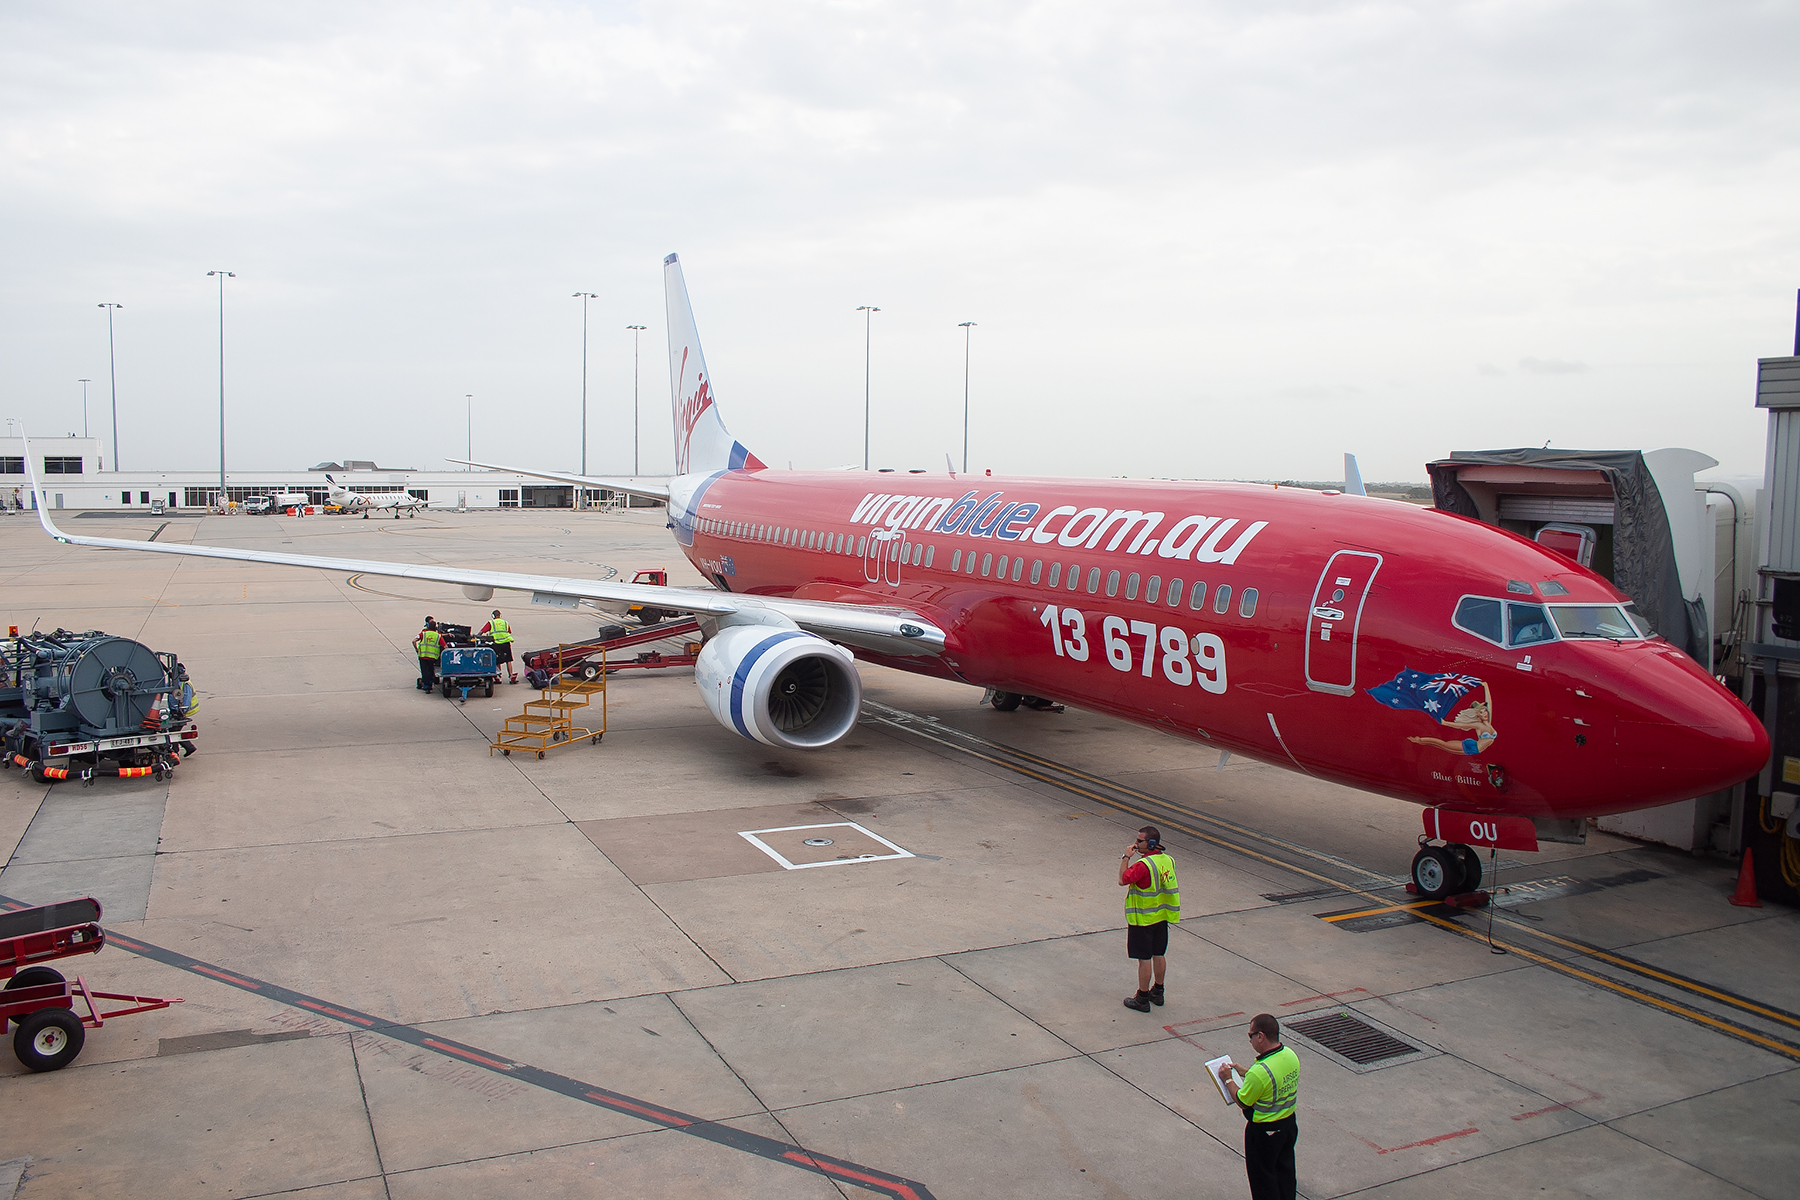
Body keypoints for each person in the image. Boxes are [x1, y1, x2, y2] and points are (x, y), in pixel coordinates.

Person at [1217, 1013, 1300, 1200]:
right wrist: (1245, 1071)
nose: (1250, 1040)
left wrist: (1228, 1079)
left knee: (1263, 1182)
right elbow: (1272, 1081)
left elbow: (1242, 1100)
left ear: (1261, 1036)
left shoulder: (1260, 1072)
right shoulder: (1290, 1056)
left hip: (1265, 1134)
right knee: (1284, 1174)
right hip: (1288, 1126)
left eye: (1251, 1035)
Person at [1119, 824, 1179, 1012]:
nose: (1135, 844)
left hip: (1143, 919)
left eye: (1139, 841)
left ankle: (1142, 997)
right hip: (1162, 917)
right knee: (1158, 954)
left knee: (1144, 959)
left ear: (1151, 843)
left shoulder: (1143, 866)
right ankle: (1158, 991)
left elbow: (1122, 879)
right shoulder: (1168, 860)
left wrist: (1126, 857)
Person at [478, 609, 518, 684]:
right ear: (500, 615)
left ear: (493, 616)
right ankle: (511, 676)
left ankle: (499, 677)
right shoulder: (505, 622)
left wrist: (477, 636)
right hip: (506, 643)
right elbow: (509, 631)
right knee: (508, 660)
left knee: (497, 660)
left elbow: (482, 631)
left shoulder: (491, 623)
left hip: (496, 643)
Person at [414, 616, 443, 692]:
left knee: (424, 671)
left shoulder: (423, 633)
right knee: (430, 670)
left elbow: (414, 641)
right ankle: (430, 683)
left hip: (422, 656)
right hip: (432, 657)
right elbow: (445, 646)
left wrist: (417, 650)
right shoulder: (437, 635)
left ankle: (426, 686)